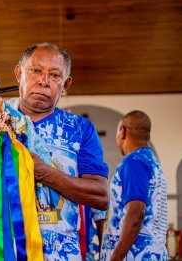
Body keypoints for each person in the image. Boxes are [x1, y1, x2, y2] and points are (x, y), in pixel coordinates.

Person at [6, 42, 109, 260]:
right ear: (18, 73)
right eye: (35, 71)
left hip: (60, 253)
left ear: (66, 83)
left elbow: (100, 196)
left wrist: (46, 173)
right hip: (3, 248)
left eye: (55, 75)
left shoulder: (80, 129)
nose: (43, 81)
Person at [100, 110, 168, 261]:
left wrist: (115, 258)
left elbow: (136, 213)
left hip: (135, 256)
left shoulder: (134, 162)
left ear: (123, 131)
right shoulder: (152, 163)